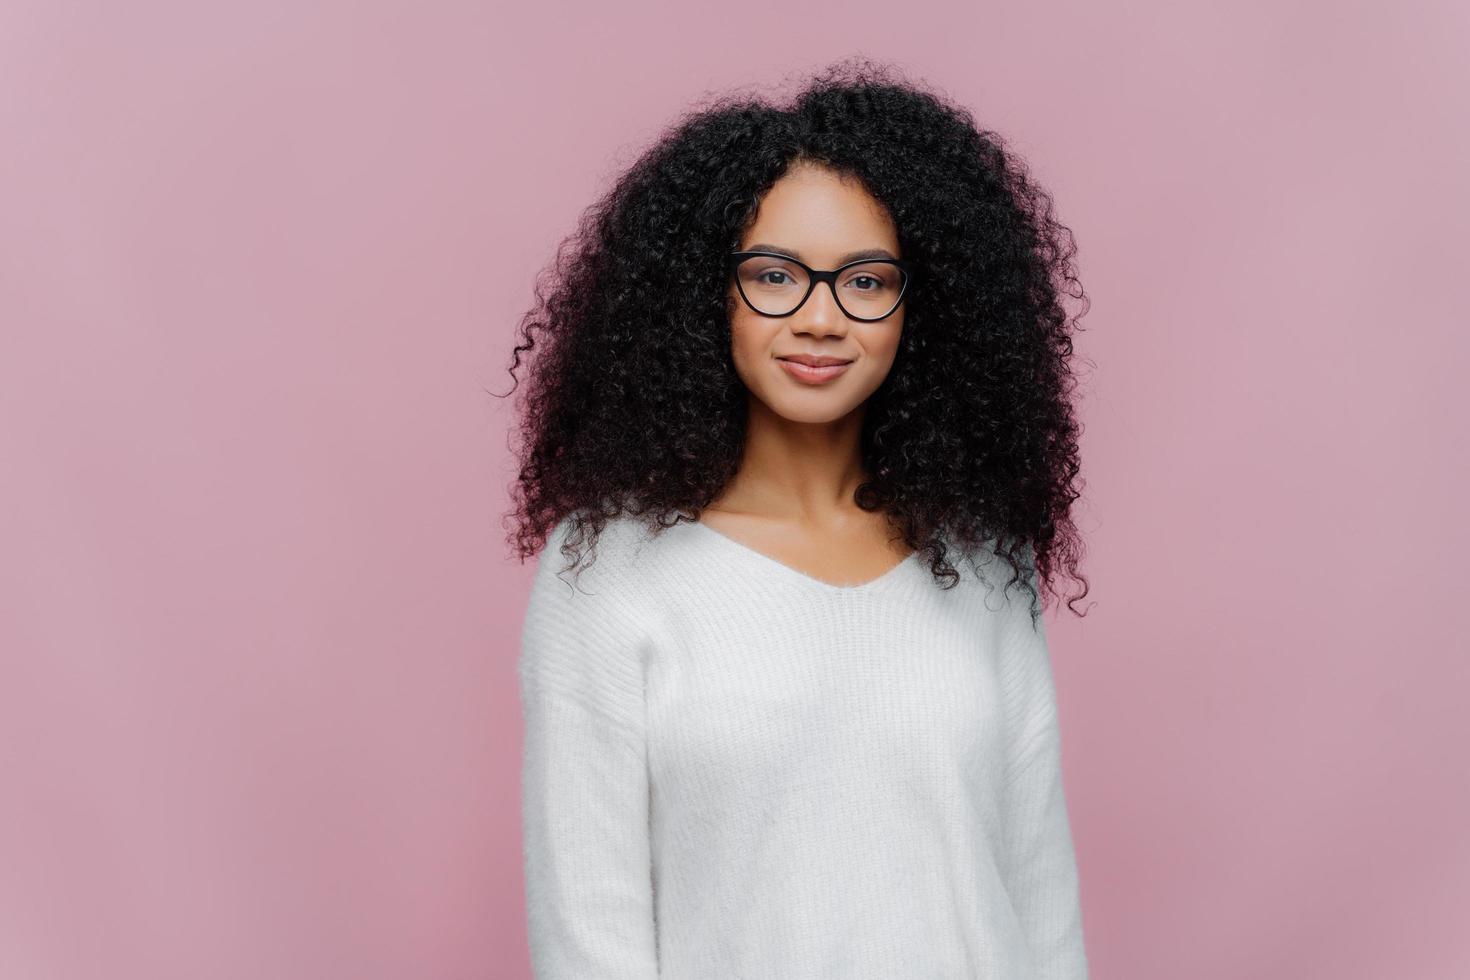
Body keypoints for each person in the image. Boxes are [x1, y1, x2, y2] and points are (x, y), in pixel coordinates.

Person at [502, 57, 1092, 979]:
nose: (821, 318)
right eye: (775, 276)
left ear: (922, 309)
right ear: (709, 296)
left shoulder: (980, 563)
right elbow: (589, 936)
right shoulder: (607, 574)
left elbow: (1041, 902)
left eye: (865, 281)